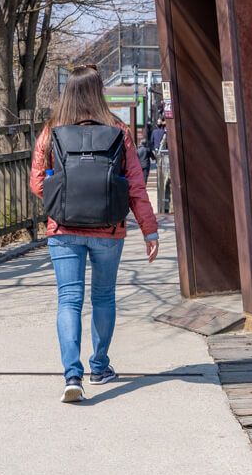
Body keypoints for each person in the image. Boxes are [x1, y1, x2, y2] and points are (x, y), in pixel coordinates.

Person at [29, 64, 159, 403]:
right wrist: (149, 229)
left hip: (64, 229)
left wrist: (66, 200)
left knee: (69, 300)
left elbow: (37, 183)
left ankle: (73, 376)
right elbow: (135, 186)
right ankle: (99, 366)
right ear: (99, 90)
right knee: (103, 297)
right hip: (108, 229)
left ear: (68, 91)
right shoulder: (118, 130)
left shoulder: (52, 130)